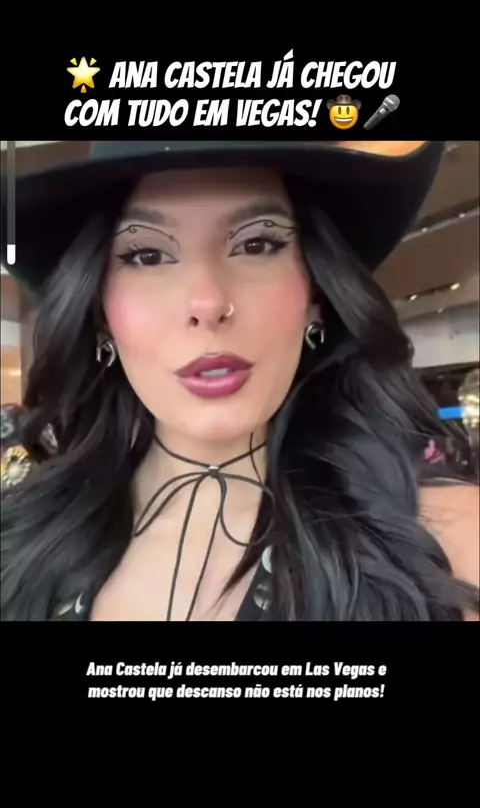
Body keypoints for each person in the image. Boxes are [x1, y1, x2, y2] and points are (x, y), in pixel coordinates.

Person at [1, 140, 478, 622]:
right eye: (147, 255)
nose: (208, 303)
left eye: (257, 244)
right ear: (101, 312)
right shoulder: (17, 544)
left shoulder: (449, 542)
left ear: (315, 294)